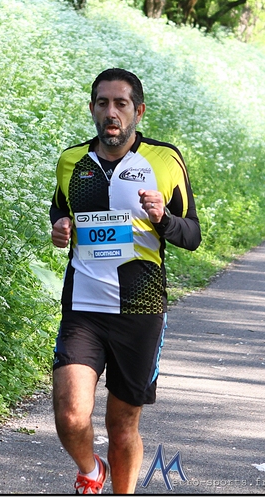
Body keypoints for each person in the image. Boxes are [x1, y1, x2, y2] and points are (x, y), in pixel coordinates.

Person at [50, 68, 202, 494]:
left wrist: (163, 218)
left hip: (140, 310)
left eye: (120, 104)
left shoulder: (163, 160)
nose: (111, 113)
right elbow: (60, 209)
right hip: (83, 307)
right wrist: (60, 226)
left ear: (138, 111)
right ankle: (90, 469)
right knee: (71, 416)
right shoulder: (71, 161)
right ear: (92, 108)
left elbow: (192, 234)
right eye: (103, 103)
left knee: (121, 427)